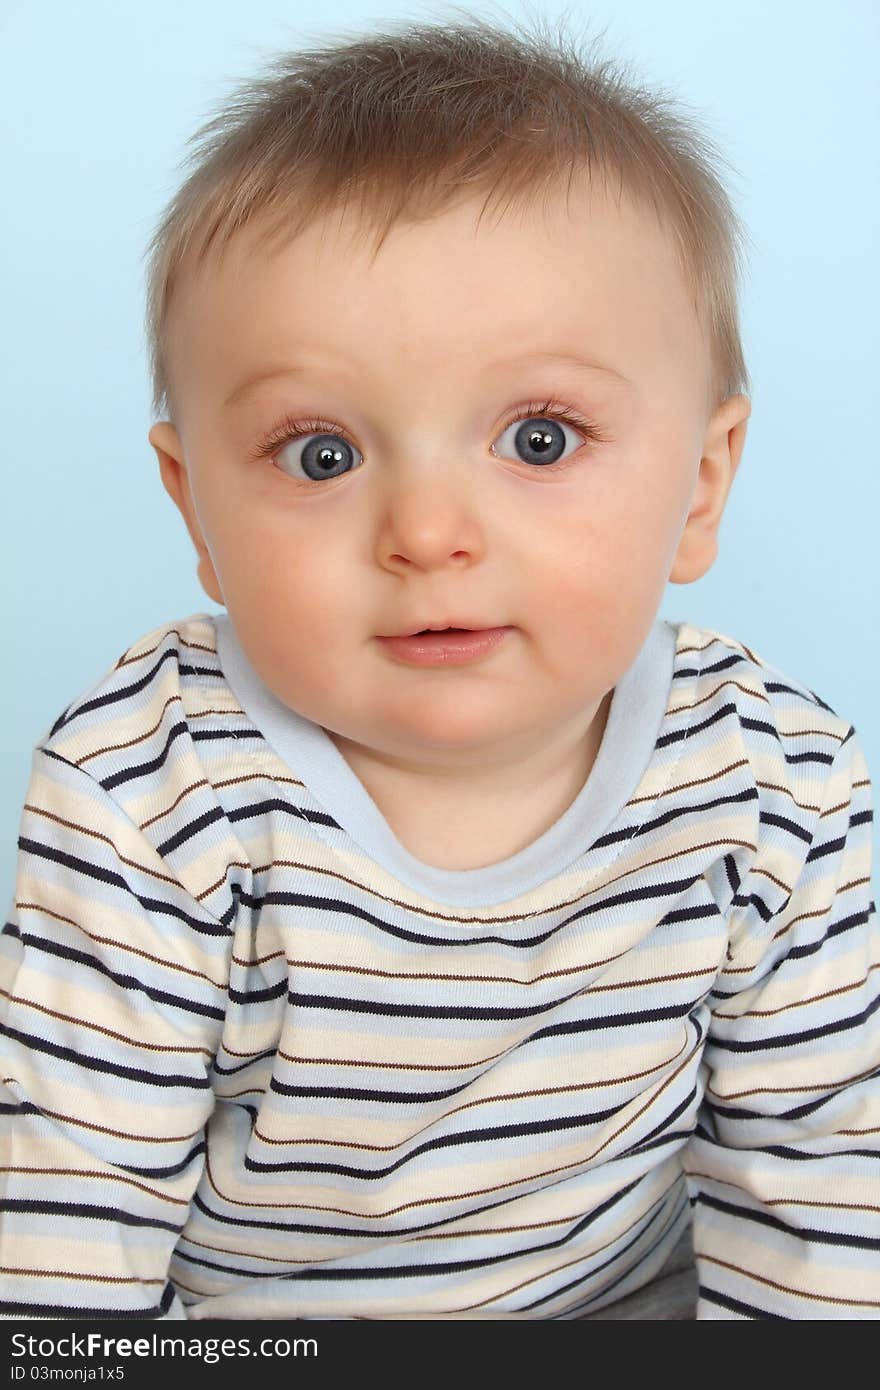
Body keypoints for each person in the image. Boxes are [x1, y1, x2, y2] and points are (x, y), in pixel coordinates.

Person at [1, 13, 877, 1322]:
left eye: (537, 437)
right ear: (195, 511)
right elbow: (62, 1244)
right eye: (321, 455)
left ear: (701, 484)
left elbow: (823, 1200)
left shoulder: (774, 782)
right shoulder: (149, 786)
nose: (426, 535)